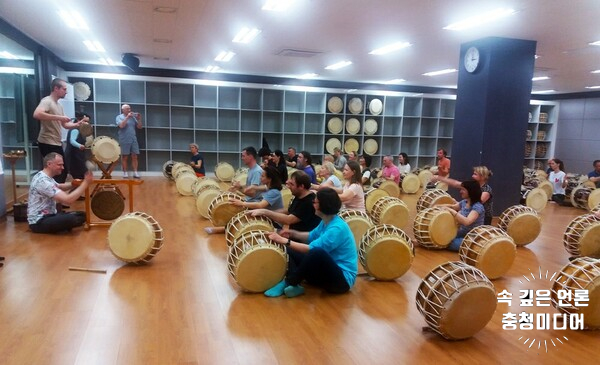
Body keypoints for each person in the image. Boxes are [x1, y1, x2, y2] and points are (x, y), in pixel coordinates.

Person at [264, 188, 358, 298]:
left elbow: (311, 249)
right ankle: (296, 285)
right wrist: (292, 233)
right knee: (289, 249)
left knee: (317, 252)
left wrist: (284, 240)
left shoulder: (337, 228)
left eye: (315, 202)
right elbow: (310, 236)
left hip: (341, 282)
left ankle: (289, 282)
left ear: (324, 205)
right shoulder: (326, 221)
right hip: (324, 276)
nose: (312, 204)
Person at [33, 78, 86, 183]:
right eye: (64, 89)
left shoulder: (59, 105)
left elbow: (65, 125)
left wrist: (77, 124)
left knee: (62, 170)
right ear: (56, 88)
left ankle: (55, 195)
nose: (66, 92)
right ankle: (54, 196)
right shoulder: (47, 101)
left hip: (55, 142)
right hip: (47, 142)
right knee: (58, 171)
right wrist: (59, 117)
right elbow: (37, 114)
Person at [27, 152, 93, 234]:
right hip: (39, 222)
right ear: (49, 164)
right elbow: (68, 200)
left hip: (50, 216)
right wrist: (85, 184)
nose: (62, 167)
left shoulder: (44, 176)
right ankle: (62, 225)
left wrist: (73, 184)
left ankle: (61, 225)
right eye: (59, 165)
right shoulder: (42, 181)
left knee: (82, 215)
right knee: (71, 219)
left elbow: (59, 186)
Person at [249, 170, 321, 232]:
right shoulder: (299, 195)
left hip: (300, 241)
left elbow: (289, 220)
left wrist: (265, 212)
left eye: (292, 184)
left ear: (301, 186)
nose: (289, 187)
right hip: (291, 234)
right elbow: (289, 211)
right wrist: (264, 214)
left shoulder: (309, 202)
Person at [441, 180, 485, 251]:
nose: (460, 191)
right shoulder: (464, 202)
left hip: (472, 237)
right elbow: (452, 206)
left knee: (451, 243)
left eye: (463, 189)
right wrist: (438, 206)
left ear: (470, 191)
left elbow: (467, 222)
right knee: (442, 237)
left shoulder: (478, 207)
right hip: (461, 233)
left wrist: (452, 211)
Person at [116, 104, 143, 178]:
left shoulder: (133, 118)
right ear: (123, 110)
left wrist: (139, 119)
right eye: (127, 109)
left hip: (133, 138)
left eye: (130, 108)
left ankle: (135, 172)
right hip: (124, 139)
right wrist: (127, 117)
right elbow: (121, 126)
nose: (129, 110)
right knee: (125, 157)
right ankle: (125, 173)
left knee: (135, 156)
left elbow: (140, 127)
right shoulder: (119, 117)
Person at [64, 112, 91, 180]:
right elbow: (72, 141)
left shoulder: (80, 129)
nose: (87, 123)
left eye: (88, 122)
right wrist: (79, 146)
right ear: (79, 121)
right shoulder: (75, 129)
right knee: (79, 179)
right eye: (85, 121)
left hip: (78, 156)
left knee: (80, 179)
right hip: (74, 158)